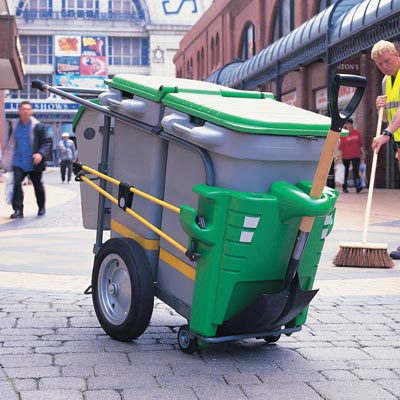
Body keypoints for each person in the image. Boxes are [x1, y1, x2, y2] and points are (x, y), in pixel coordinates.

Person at [370, 40, 400, 259]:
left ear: (396, 54)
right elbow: (392, 113)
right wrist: (380, 106)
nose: (385, 67)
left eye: (387, 61)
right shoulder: (384, 83)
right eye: (380, 64)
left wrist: (386, 134)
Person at [0, 101, 51, 219]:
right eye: (23, 109)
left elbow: (47, 142)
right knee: (17, 184)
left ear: (31, 111)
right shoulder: (13, 125)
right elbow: (11, 143)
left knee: (37, 185)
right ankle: (18, 210)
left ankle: (41, 207)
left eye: (28, 109)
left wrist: (40, 153)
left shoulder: (38, 126)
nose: (25, 111)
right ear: (19, 111)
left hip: (34, 162)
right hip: (18, 161)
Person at [338, 118, 364, 193]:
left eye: (350, 123)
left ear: (352, 124)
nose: (348, 125)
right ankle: (344, 187)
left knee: (356, 170)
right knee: (345, 172)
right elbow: (340, 148)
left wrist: (363, 154)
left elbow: (360, 144)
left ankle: (358, 186)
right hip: (346, 156)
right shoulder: (343, 134)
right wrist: (340, 158)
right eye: (347, 124)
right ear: (345, 125)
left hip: (356, 155)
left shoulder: (356, 133)